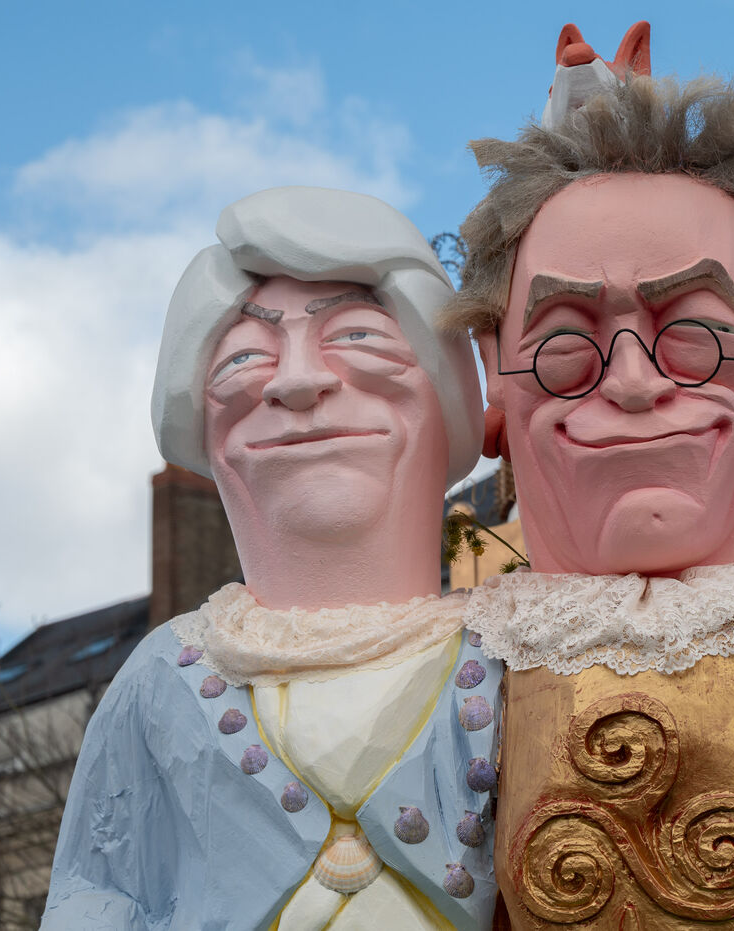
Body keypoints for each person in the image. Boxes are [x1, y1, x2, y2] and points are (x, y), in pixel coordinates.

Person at [449, 67, 734, 928]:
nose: (633, 382)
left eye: (694, 334)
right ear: (497, 366)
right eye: (566, 344)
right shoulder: (451, 677)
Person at [45, 187, 499, 930]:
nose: (296, 381)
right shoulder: (163, 678)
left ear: (444, 382)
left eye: (358, 337)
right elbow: (93, 890)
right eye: (245, 358)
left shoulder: (517, 655)